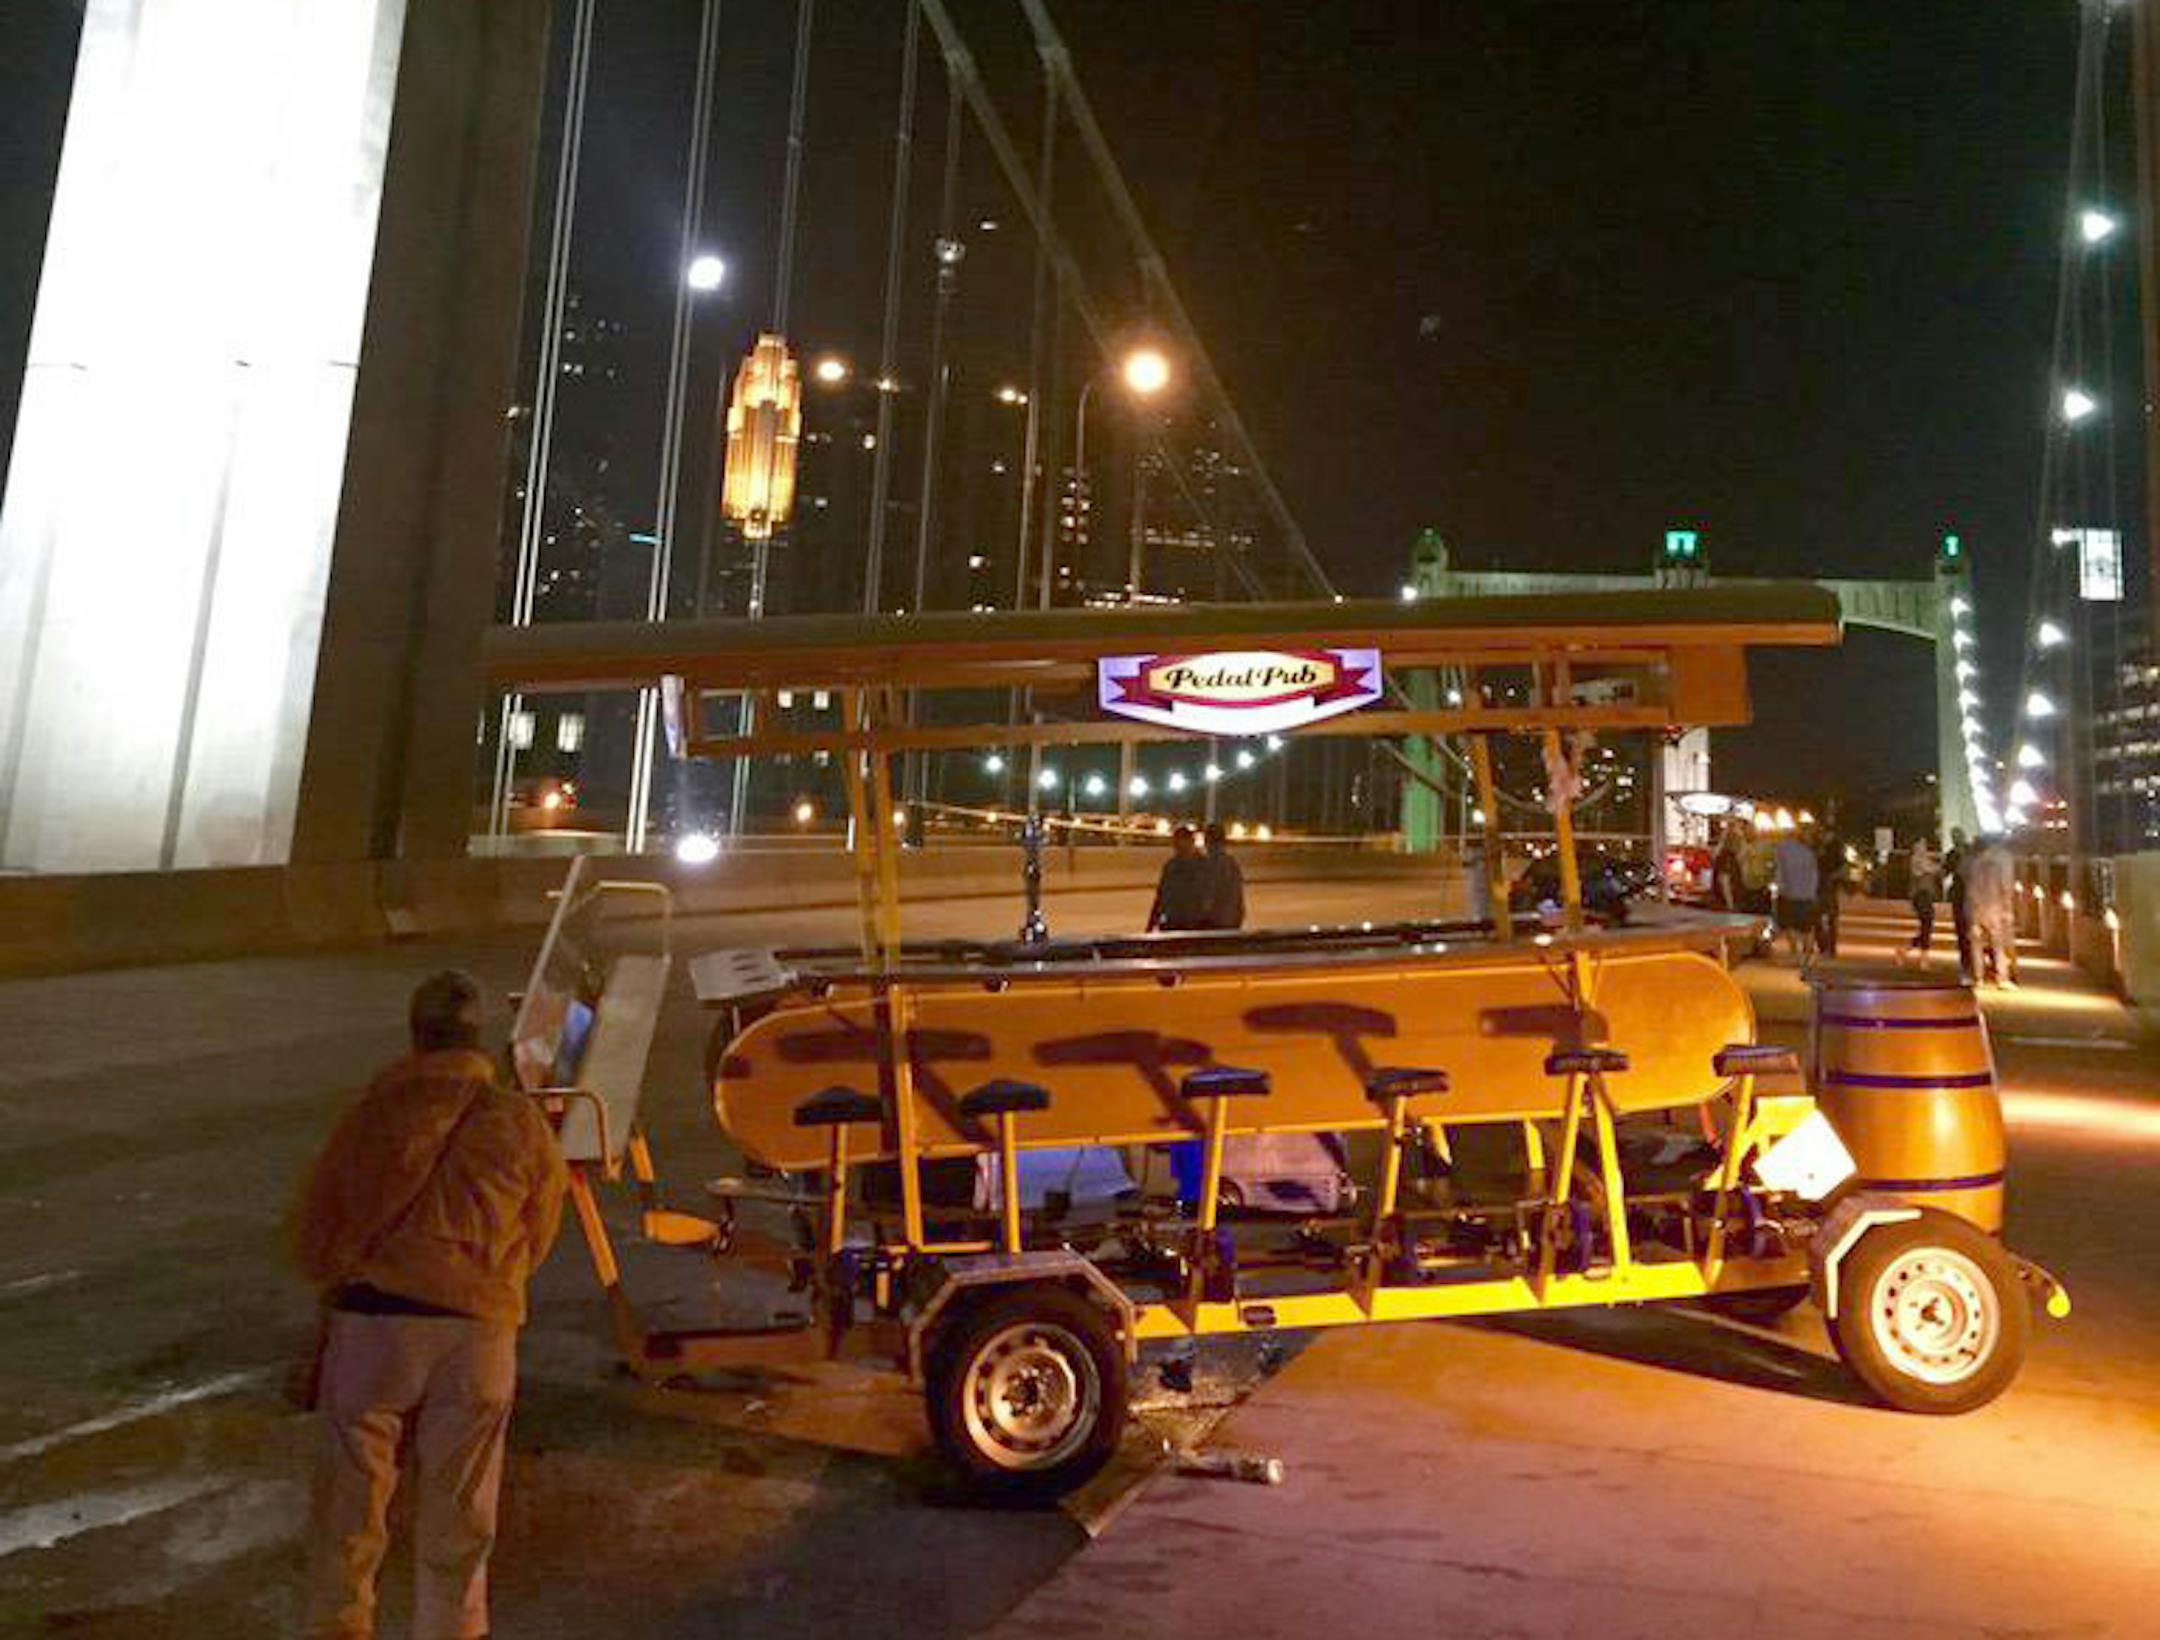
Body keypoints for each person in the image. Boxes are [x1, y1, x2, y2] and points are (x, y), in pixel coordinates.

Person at [294, 970, 567, 1640]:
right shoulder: (517, 1120)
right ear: (479, 1037)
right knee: (463, 1513)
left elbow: (318, 1224)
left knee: (349, 1510)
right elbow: (540, 1229)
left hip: (374, 1328)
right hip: (478, 1334)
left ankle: (339, 1627)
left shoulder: (374, 1112)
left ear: (416, 1036)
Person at [1964, 836, 2020, 988]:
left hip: (1977, 909)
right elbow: (2005, 888)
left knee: (1976, 946)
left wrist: (1970, 910)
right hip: (1994, 908)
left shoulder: (1975, 865)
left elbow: (1970, 890)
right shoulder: (1996, 865)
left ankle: (1978, 978)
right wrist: (2007, 910)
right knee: (1998, 945)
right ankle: (2001, 978)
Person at [1147, 825, 1215, 931]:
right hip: (1175, 924)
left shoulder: (1203, 866)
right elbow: (1161, 898)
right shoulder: (1172, 866)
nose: (1178, 849)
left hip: (1193, 925)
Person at [1771, 826, 1820, 963]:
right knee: (1807, 927)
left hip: (1789, 893)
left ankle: (1795, 954)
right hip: (1807, 894)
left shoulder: (1781, 848)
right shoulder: (1809, 852)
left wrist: (1779, 887)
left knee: (1790, 925)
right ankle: (1807, 955)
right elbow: (1814, 873)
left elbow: (1779, 870)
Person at [1200, 820, 1247, 930]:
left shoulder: (1208, 864)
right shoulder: (1232, 864)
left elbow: (1208, 897)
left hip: (1213, 924)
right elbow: (1239, 900)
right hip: (1230, 923)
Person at [1943, 826, 1974, 982]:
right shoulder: (1958, 854)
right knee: (1964, 931)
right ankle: (1968, 964)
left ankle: (1971, 965)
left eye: (1957, 835)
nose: (1956, 838)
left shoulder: (1964, 853)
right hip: (1964, 895)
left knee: (1967, 931)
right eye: (1954, 836)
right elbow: (1945, 872)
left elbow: (1944, 873)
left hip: (1968, 895)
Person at [1907, 836, 1942, 963]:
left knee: (1926, 925)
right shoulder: (1916, 859)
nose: (1924, 847)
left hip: (1926, 895)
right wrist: (1939, 866)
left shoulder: (1924, 859)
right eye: (1921, 844)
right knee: (1926, 924)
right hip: (1920, 895)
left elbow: (1934, 869)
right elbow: (1929, 869)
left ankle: (1909, 950)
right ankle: (1923, 957)